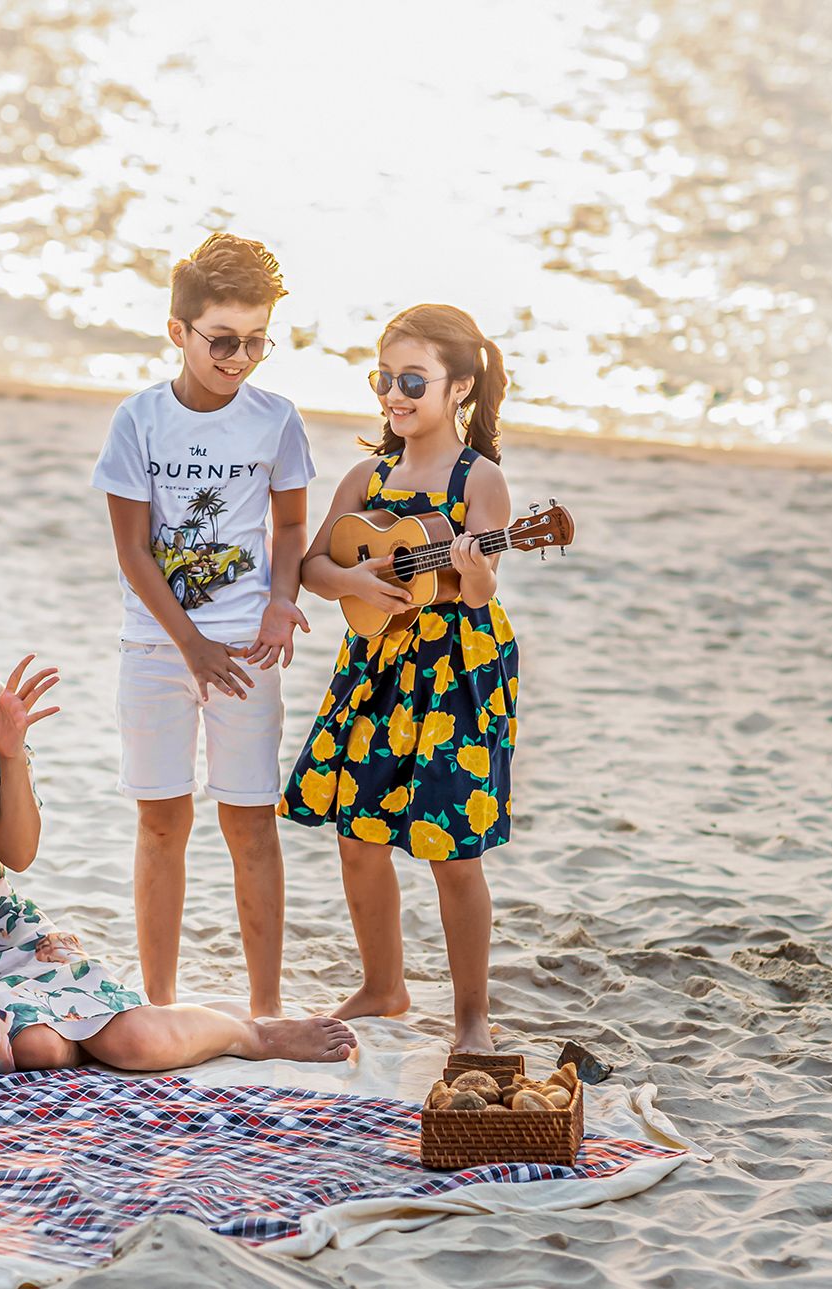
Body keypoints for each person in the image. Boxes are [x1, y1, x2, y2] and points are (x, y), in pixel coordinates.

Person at [0, 517, 356, 1073]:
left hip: (1, 934)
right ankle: (122, 1030)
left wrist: (10, 754)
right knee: (40, 1047)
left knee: (133, 1041)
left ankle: (247, 1032)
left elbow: (19, 854)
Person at [89, 232, 318, 1018]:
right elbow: (131, 545)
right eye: (224, 340)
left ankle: (265, 1007)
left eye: (257, 341)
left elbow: (289, 531)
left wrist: (282, 600)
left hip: (250, 648)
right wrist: (191, 645)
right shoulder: (139, 420)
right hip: (156, 647)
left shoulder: (276, 421)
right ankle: (159, 1002)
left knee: (251, 819)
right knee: (162, 819)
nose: (240, 357)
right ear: (178, 331)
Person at [280, 304, 519, 1054]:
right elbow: (313, 566)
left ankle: (472, 1019)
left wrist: (473, 569)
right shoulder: (367, 475)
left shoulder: (480, 481)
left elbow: (478, 593)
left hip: (455, 674)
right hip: (379, 664)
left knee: (452, 848)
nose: (394, 393)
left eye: (412, 379)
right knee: (359, 833)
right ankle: (384, 984)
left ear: (460, 387)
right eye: (384, 376)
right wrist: (357, 575)